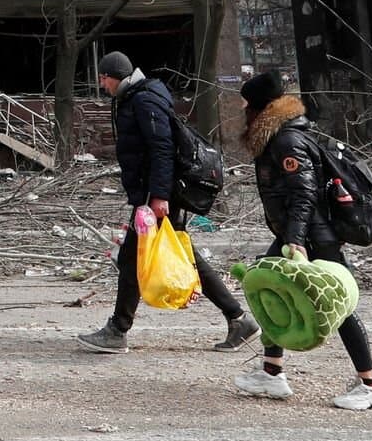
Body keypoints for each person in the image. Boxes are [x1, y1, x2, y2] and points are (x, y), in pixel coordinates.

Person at [76, 50, 257, 355]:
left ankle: (117, 330)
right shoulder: (134, 96)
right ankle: (237, 319)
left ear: (113, 76)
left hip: (159, 195)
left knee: (137, 259)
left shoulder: (143, 100)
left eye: (103, 78)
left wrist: (159, 196)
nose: (102, 84)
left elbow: (161, 149)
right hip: (153, 193)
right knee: (150, 258)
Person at [233, 71, 372, 410]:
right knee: (270, 289)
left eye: (246, 101)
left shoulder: (286, 142)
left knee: (341, 306)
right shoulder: (279, 136)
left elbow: (304, 194)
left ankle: (371, 385)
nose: (241, 106)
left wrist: (295, 240)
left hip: (312, 236)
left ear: (260, 104)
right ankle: (272, 372)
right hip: (299, 233)